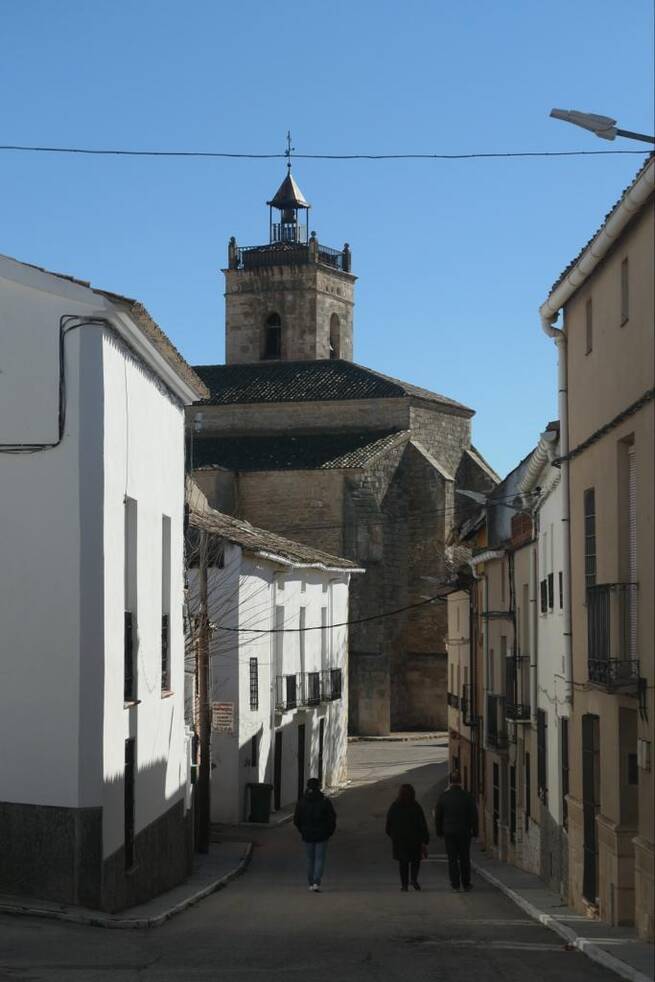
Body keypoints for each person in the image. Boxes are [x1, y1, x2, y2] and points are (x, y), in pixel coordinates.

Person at [434, 769, 479, 891]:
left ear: (450, 781)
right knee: (464, 857)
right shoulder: (467, 796)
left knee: (452, 858)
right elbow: (474, 815)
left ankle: (455, 884)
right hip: (464, 831)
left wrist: (439, 831)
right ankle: (466, 883)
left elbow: (438, 816)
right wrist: (475, 831)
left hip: (449, 831)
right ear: (460, 781)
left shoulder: (443, 797)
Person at [293, 777, 336, 892]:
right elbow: (332, 818)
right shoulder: (325, 801)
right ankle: (317, 882)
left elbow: (296, 820)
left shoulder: (302, 802)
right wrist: (329, 832)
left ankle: (311, 882)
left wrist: (302, 830)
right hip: (322, 835)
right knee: (319, 859)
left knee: (309, 859)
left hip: (307, 835)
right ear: (318, 786)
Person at [385, 783, 429, 891]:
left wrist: (393, 836)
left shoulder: (394, 806)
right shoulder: (416, 807)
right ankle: (414, 879)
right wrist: (424, 839)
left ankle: (404, 885)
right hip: (414, 840)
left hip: (400, 840)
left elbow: (388, 824)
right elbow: (422, 824)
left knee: (403, 863)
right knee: (415, 861)